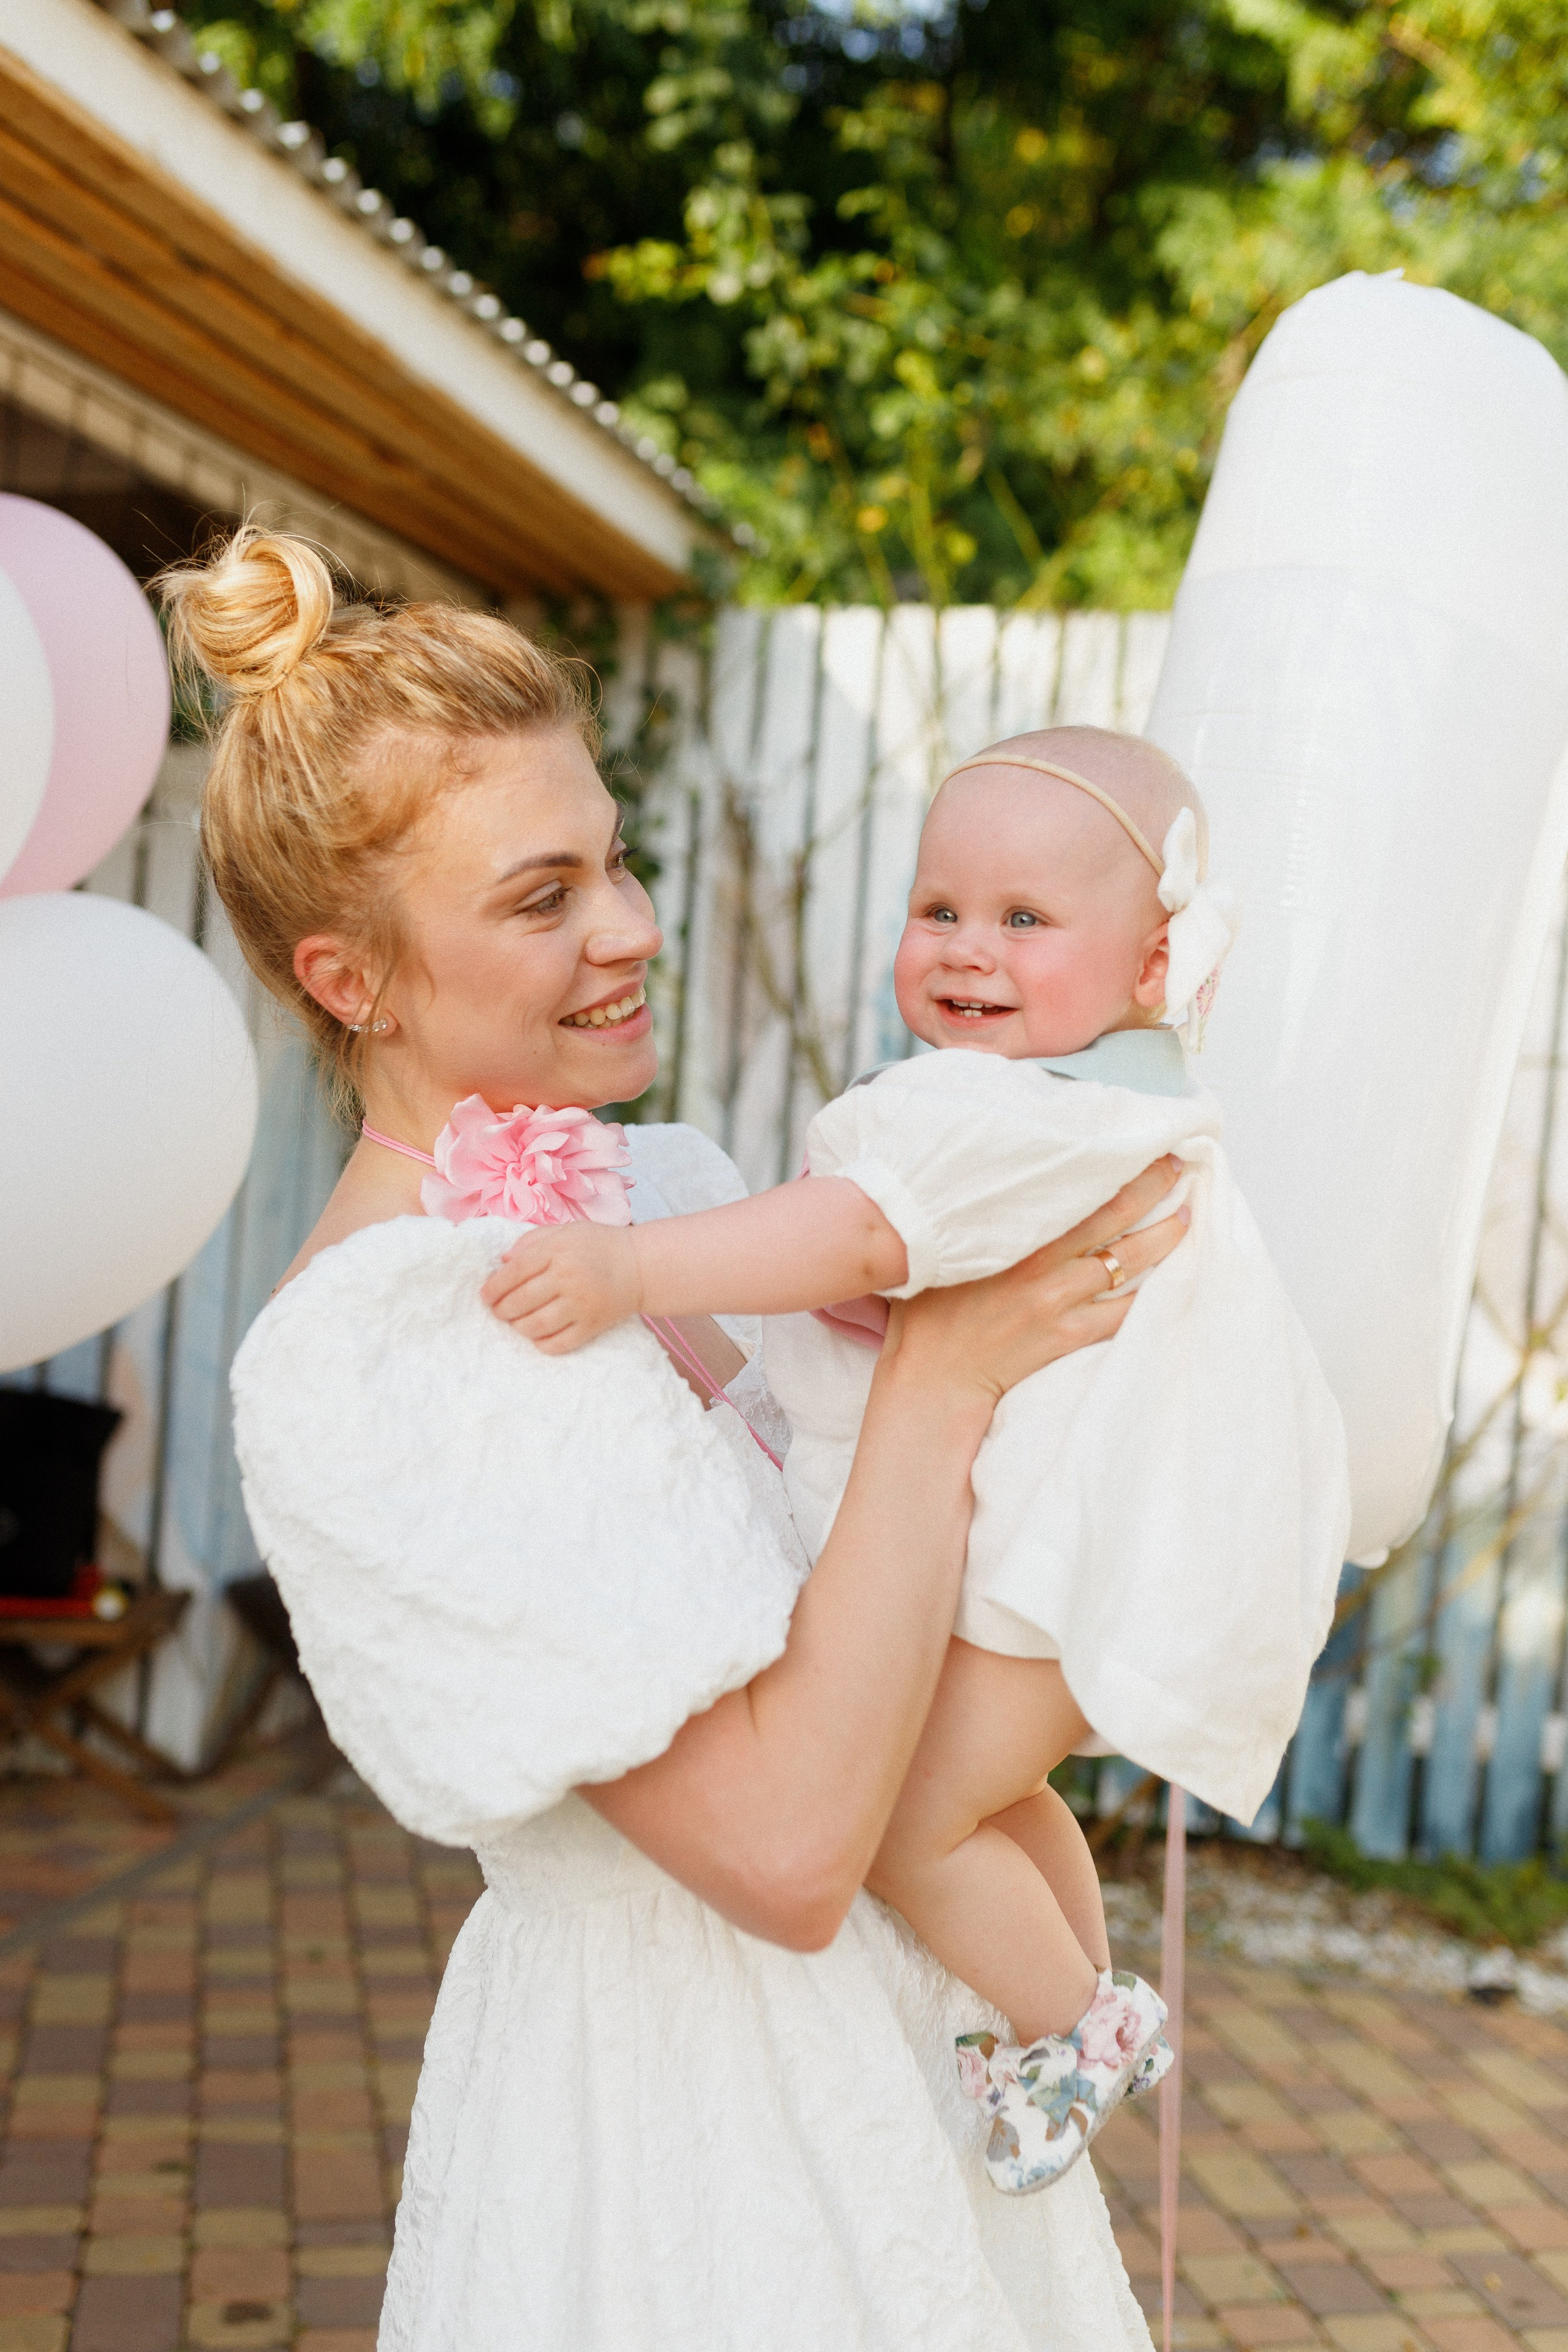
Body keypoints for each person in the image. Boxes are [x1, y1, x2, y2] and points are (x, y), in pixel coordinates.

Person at [160, 527, 1187, 2350]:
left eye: (615, 858)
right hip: (686, 2143)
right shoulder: (374, 1354)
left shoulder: (680, 1196)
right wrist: (946, 1379)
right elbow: (788, 1851)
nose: (630, 926)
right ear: (351, 979)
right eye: (542, 896)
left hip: (918, 2069)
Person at [480, 727, 1350, 2193]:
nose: (968, 951)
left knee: (894, 1813)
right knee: (996, 1799)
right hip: (1087, 1557)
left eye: (1024, 920)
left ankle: (1074, 2020)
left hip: (1042, 1560)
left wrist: (632, 1269)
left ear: (1149, 965)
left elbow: (860, 1231)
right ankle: (1079, 1992)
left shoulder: (987, 1109)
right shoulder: (1102, 1104)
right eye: (939, 909)